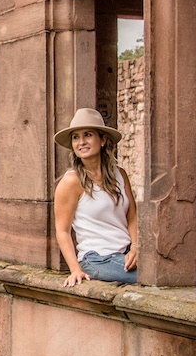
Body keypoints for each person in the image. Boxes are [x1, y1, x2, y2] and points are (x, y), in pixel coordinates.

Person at [53, 108, 138, 286]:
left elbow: (132, 215)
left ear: (103, 139)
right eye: (75, 137)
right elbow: (62, 231)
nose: (81, 142)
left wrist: (136, 247)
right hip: (97, 259)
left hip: (125, 253)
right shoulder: (71, 182)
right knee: (149, 278)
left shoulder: (120, 174)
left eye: (88, 135)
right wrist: (75, 269)